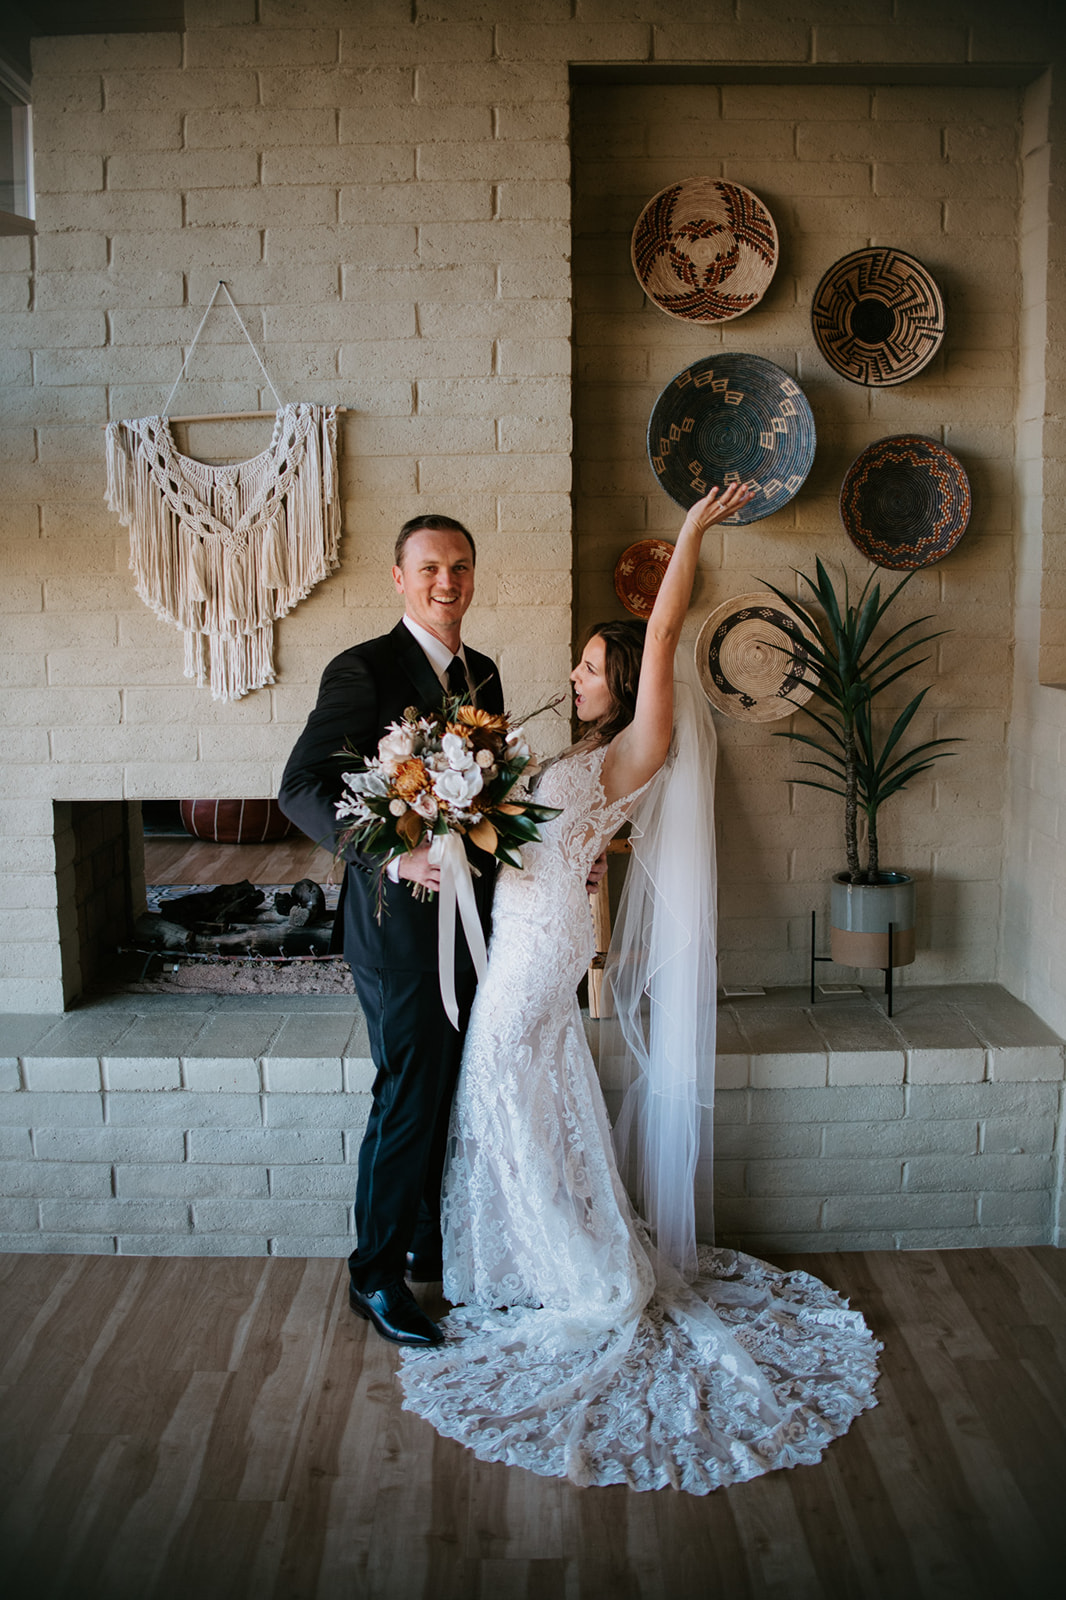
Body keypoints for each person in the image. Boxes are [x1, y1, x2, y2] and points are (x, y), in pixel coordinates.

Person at [396, 484, 882, 1493]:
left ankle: (576, 1269)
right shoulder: (582, 750)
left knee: (502, 1080)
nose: (574, 675)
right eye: (578, 663)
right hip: (526, 928)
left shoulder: (636, 744)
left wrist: (692, 530)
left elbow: (662, 634)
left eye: (588, 664)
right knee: (522, 1087)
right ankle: (539, 1258)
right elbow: (537, 843)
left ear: (624, 676)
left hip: (540, 949)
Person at [278, 513, 504, 1349]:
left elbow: (489, 806)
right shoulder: (363, 668)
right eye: (431, 567)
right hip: (397, 929)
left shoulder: (483, 675)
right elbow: (301, 786)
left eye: (462, 566)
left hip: (470, 923)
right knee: (407, 1094)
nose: (449, 582)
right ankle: (373, 1276)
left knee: (447, 1089)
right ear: (400, 579)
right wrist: (392, 855)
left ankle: (423, 1241)